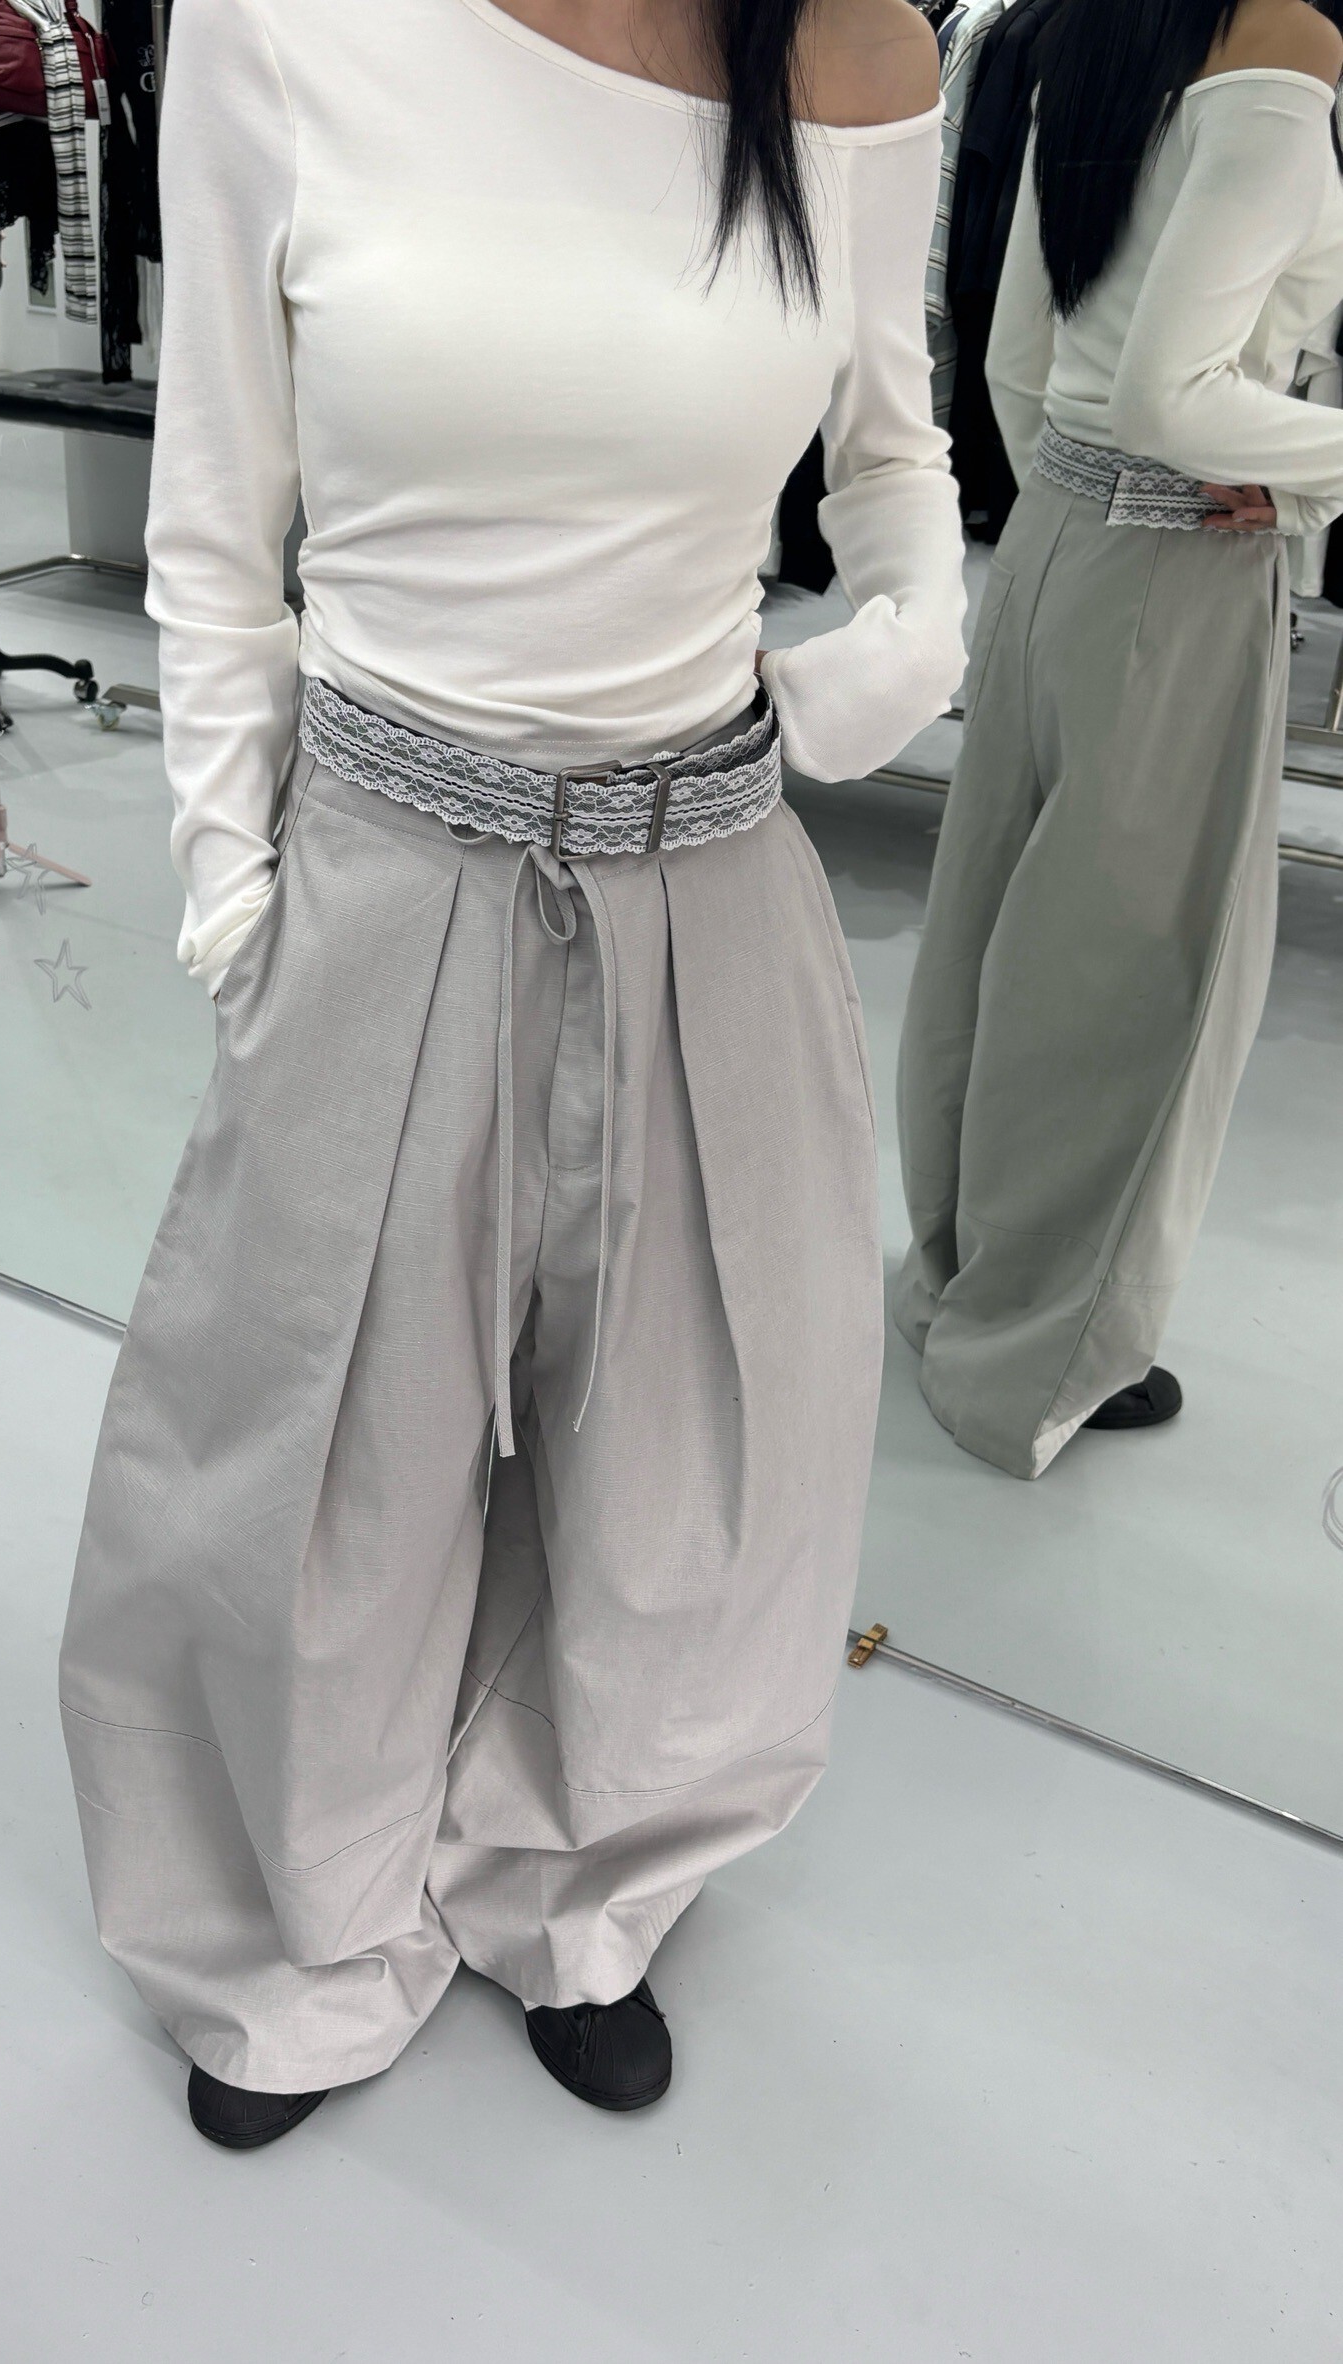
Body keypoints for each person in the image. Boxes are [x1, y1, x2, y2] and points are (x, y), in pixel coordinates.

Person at [60, 0, 965, 2150]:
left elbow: (889, 449)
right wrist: (231, 896)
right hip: (385, 855)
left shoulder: (848, 52)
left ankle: (579, 1889)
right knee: (314, 1451)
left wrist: (896, 656)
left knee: (690, 1445)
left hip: (707, 863)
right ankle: (299, 1936)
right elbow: (217, 511)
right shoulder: (289, 32)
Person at [895, 0, 1343, 1480]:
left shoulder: (1084, 27)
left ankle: (959, 1278)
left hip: (1054, 533)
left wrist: (1073, 500)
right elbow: (1176, 394)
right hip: (1175, 556)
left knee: (995, 932)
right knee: (1140, 987)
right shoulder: (1281, 40)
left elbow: (1020, 352)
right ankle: (1032, 1350)